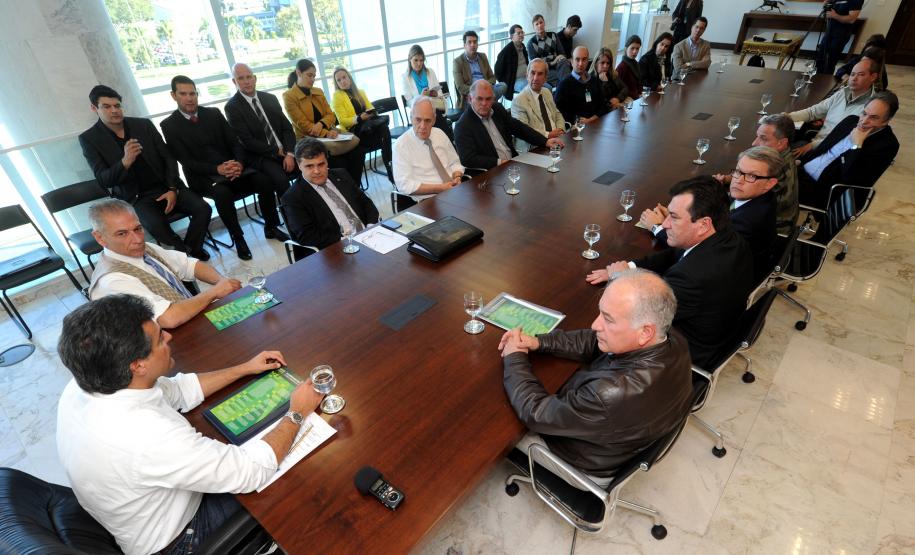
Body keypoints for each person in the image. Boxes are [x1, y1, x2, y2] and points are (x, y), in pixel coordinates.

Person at [56, 294, 322, 555]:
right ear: (138, 366)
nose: (169, 337)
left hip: (141, 510)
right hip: (180, 540)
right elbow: (251, 470)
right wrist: (297, 411)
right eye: (160, 339)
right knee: (301, 482)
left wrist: (245, 368)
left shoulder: (88, 382)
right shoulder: (144, 435)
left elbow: (179, 390)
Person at [499, 269, 693, 486]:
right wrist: (540, 342)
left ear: (645, 332)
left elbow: (535, 413)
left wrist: (515, 357)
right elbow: (595, 341)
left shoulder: (609, 393)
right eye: (601, 313)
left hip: (584, 466)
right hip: (617, 441)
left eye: (608, 320)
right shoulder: (673, 340)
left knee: (496, 425)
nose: (595, 325)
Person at [587, 176, 754, 369]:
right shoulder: (724, 236)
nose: (664, 224)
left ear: (703, 225)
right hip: (718, 327)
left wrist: (619, 277)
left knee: (603, 333)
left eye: (674, 217)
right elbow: (675, 253)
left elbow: (639, 312)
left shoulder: (694, 276)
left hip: (687, 352)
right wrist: (630, 266)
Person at [160, 75, 288, 261]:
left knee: (264, 180)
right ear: (174, 96)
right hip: (204, 177)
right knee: (222, 194)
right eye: (184, 94)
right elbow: (185, 161)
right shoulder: (169, 125)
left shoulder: (213, 113)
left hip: (234, 169)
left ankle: (271, 226)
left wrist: (239, 163)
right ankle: (239, 239)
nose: (189, 98)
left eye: (193, 93)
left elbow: (236, 143)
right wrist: (217, 169)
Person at [79, 85, 212, 261]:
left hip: (166, 186)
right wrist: (125, 162)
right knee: (158, 227)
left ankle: (189, 252)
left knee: (203, 208)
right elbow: (104, 180)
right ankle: (185, 255)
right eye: (107, 106)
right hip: (137, 198)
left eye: (117, 105)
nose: (114, 111)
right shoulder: (89, 139)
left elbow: (169, 158)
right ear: (94, 108)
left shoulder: (142, 125)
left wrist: (172, 188)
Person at [87, 199, 242, 329]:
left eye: (138, 229)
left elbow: (189, 266)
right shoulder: (112, 281)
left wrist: (221, 281)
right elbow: (169, 318)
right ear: (99, 238)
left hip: (192, 323)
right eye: (122, 233)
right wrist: (215, 292)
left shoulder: (146, 248)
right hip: (169, 348)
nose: (138, 239)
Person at [642, 148, 780, 283]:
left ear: (769, 183)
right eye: (738, 171)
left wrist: (656, 227)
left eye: (752, 176)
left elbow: (696, 245)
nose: (739, 180)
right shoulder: (753, 197)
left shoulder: (750, 221)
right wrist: (681, 216)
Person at [798, 91, 900, 209]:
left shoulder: (887, 145)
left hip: (826, 191)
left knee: (774, 191)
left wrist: (856, 145)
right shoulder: (850, 121)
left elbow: (850, 179)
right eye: (864, 113)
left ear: (886, 121)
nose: (864, 121)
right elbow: (823, 148)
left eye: (873, 118)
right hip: (803, 172)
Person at [282, 138, 379, 252]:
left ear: (327, 161)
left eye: (321, 164)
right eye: (309, 166)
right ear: (299, 165)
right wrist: (346, 240)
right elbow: (308, 236)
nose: (317, 171)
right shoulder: (293, 197)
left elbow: (366, 203)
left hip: (369, 236)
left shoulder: (341, 175)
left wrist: (370, 227)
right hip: (338, 249)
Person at [283, 59, 364, 183]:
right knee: (338, 161)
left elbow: (330, 115)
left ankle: (354, 188)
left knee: (358, 151)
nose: (312, 79)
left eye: (314, 76)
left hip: (329, 133)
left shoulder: (318, 91)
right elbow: (303, 124)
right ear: (299, 73)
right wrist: (325, 133)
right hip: (307, 139)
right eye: (309, 75)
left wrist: (321, 125)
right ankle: (344, 191)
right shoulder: (289, 96)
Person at [225, 63, 299, 197]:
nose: (246, 81)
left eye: (249, 77)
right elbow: (247, 141)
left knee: (311, 166)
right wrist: (277, 151)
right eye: (241, 78)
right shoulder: (232, 107)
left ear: (255, 78)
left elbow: (287, 128)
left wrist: (289, 153)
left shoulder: (270, 98)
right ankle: (292, 215)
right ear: (234, 81)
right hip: (261, 156)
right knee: (281, 180)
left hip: (285, 151)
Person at [454, 80, 563, 170]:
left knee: (551, 170)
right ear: (470, 99)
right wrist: (499, 162)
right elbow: (468, 159)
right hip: (491, 173)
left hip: (514, 164)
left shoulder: (497, 109)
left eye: (488, 99)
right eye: (479, 99)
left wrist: (545, 141)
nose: (484, 103)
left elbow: (519, 128)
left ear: (493, 98)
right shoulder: (463, 126)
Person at [789, 59, 879, 156]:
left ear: (873, 77)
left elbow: (846, 138)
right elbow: (812, 112)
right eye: (852, 74)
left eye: (861, 75)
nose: (854, 78)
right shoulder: (842, 93)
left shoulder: (872, 106)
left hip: (832, 153)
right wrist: (787, 116)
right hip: (815, 143)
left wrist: (812, 145)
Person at [393, 97, 464, 202]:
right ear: (411, 117)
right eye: (418, 119)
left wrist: (457, 175)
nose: (422, 126)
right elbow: (405, 185)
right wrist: (440, 188)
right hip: (428, 200)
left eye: (427, 120)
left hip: (455, 191)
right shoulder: (401, 145)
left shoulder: (439, 133)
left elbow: (455, 162)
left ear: (434, 120)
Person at [330, 66, 394, 183]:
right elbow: (343, 120)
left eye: (344, 77)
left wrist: (371, 112)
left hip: (369, 128)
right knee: (384, 133)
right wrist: (359, 118)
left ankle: (390, 169)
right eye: (339, 80)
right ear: (336, 83)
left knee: (384, 131)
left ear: (349, 77)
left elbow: (370, 107)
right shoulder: (337, 97)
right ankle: (390, 169)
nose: (342, 81)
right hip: (355, 131)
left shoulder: (360, 92)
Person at [751, 114, 799, 234]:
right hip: (776, 221)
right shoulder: (784, 156)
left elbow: (744, 199)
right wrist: (728, 179)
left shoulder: (774, 168)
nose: (754, 143)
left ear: (781, 143)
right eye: (757, 136)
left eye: (763, 138)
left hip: (770, 232)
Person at [511, 58, 567, 152]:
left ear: (545, 78)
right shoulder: (519, 101)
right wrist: (548, 135)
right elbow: (524, 131)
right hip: (536, 146)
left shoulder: (546, 92)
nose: (536, 78)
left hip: (557, 141)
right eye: (533, 73)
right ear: (527, 75)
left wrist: (560, 130)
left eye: (540, 74)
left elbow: (557, 114)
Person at [554, 46, 608, 125]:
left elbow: (603, 105)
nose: (580, 63)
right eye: (577, 59)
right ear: (572, 62)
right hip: (576, 128)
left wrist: (592, 119)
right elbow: (558, 111)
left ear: (588, 61)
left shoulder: (594, 80)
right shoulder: (564, 84)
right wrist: (578, 120)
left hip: (596, 124)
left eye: (584, 59)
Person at [453, 31, 505, 111]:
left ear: (477, 44)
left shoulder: (483, 56)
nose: (472, 45)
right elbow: (461, 87)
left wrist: (485, 85)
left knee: (503, 85)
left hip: (486, 87)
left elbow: (492, 77)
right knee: (495, 105)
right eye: (469, 42)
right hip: (471, 94)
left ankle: (487, 101)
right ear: (464, 45)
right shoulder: (458, 62)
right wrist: (478, 90)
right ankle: (489, 101)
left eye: (475, 42)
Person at [816, 0, 863, 75]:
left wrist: (834, 15)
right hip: (829, 32)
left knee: (830, 60)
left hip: (841, 34)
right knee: (821, 57)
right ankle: (817, 78)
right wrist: (826, 5)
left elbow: (851, 19)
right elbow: (828, 13)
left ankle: (826, 81)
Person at [527, 14, 572, 87]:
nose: (539, 25)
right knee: (564, 77)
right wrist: (552, 63)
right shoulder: (531, 43)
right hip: (544, 69)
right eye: (537, 24)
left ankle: (564, 88)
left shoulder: (553, 35)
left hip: (558, 64)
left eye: (541, 22)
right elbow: (535, 65)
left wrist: (560, 58)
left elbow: (562, 54)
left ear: (544, 23)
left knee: (564, 61)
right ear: (534, 27)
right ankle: (566, 89)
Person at [494, 24, 529, 100]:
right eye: (518, 33)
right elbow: (497, 72)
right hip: (515, 81)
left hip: (527, 77)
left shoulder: (523, 47)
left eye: (522, 32)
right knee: (531, 89)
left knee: (545, 86)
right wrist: (507, 82)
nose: (521, 35)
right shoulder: (506, 51)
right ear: (511, 37)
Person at [616, 35, 643, 101]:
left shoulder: (636, 64)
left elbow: (639, 83)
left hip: (637, 97)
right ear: (626, 48)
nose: (635, 51)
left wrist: (640, 93)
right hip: (627, 100)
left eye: (637, 49)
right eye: (632, 48)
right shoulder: (622, 67)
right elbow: (617, 88)